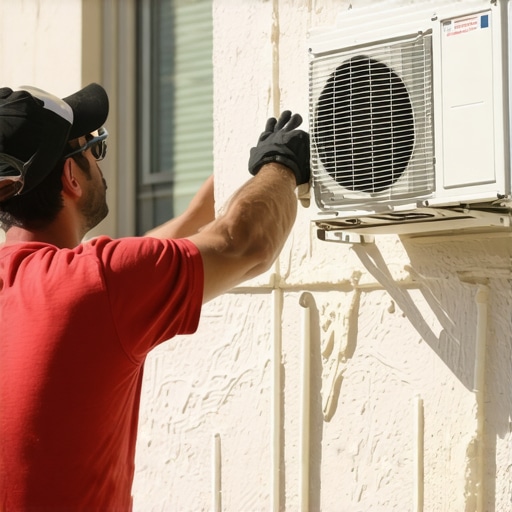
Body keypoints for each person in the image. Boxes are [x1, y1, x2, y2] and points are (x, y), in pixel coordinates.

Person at [0, 83, 310, 511]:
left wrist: (228, 183)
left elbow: (145, 255)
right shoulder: (96, 284)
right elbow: (246, 243)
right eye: (93, 149)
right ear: (71, 178)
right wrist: (283, 164)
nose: (98, 160)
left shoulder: (73, 286)